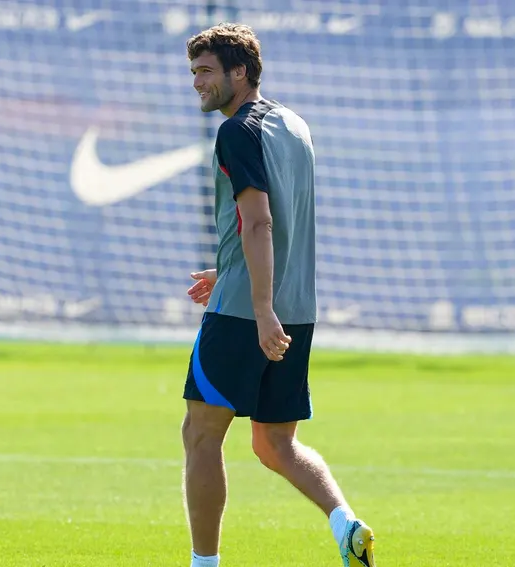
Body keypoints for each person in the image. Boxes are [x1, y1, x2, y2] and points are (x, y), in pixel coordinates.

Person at [179, 23, 376, 567]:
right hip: (295, 308)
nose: (198, 82)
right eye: (194, 71)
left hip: (252, 314)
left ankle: (204, 564)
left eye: (207, 71)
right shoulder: (294, 124)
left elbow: (261, 222)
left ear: (239, 72)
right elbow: (280, 222)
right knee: (274, 444)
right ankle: (346, 523)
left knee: (200, 434)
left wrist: (258, 307)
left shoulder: (237, 131)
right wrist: (231, 273)